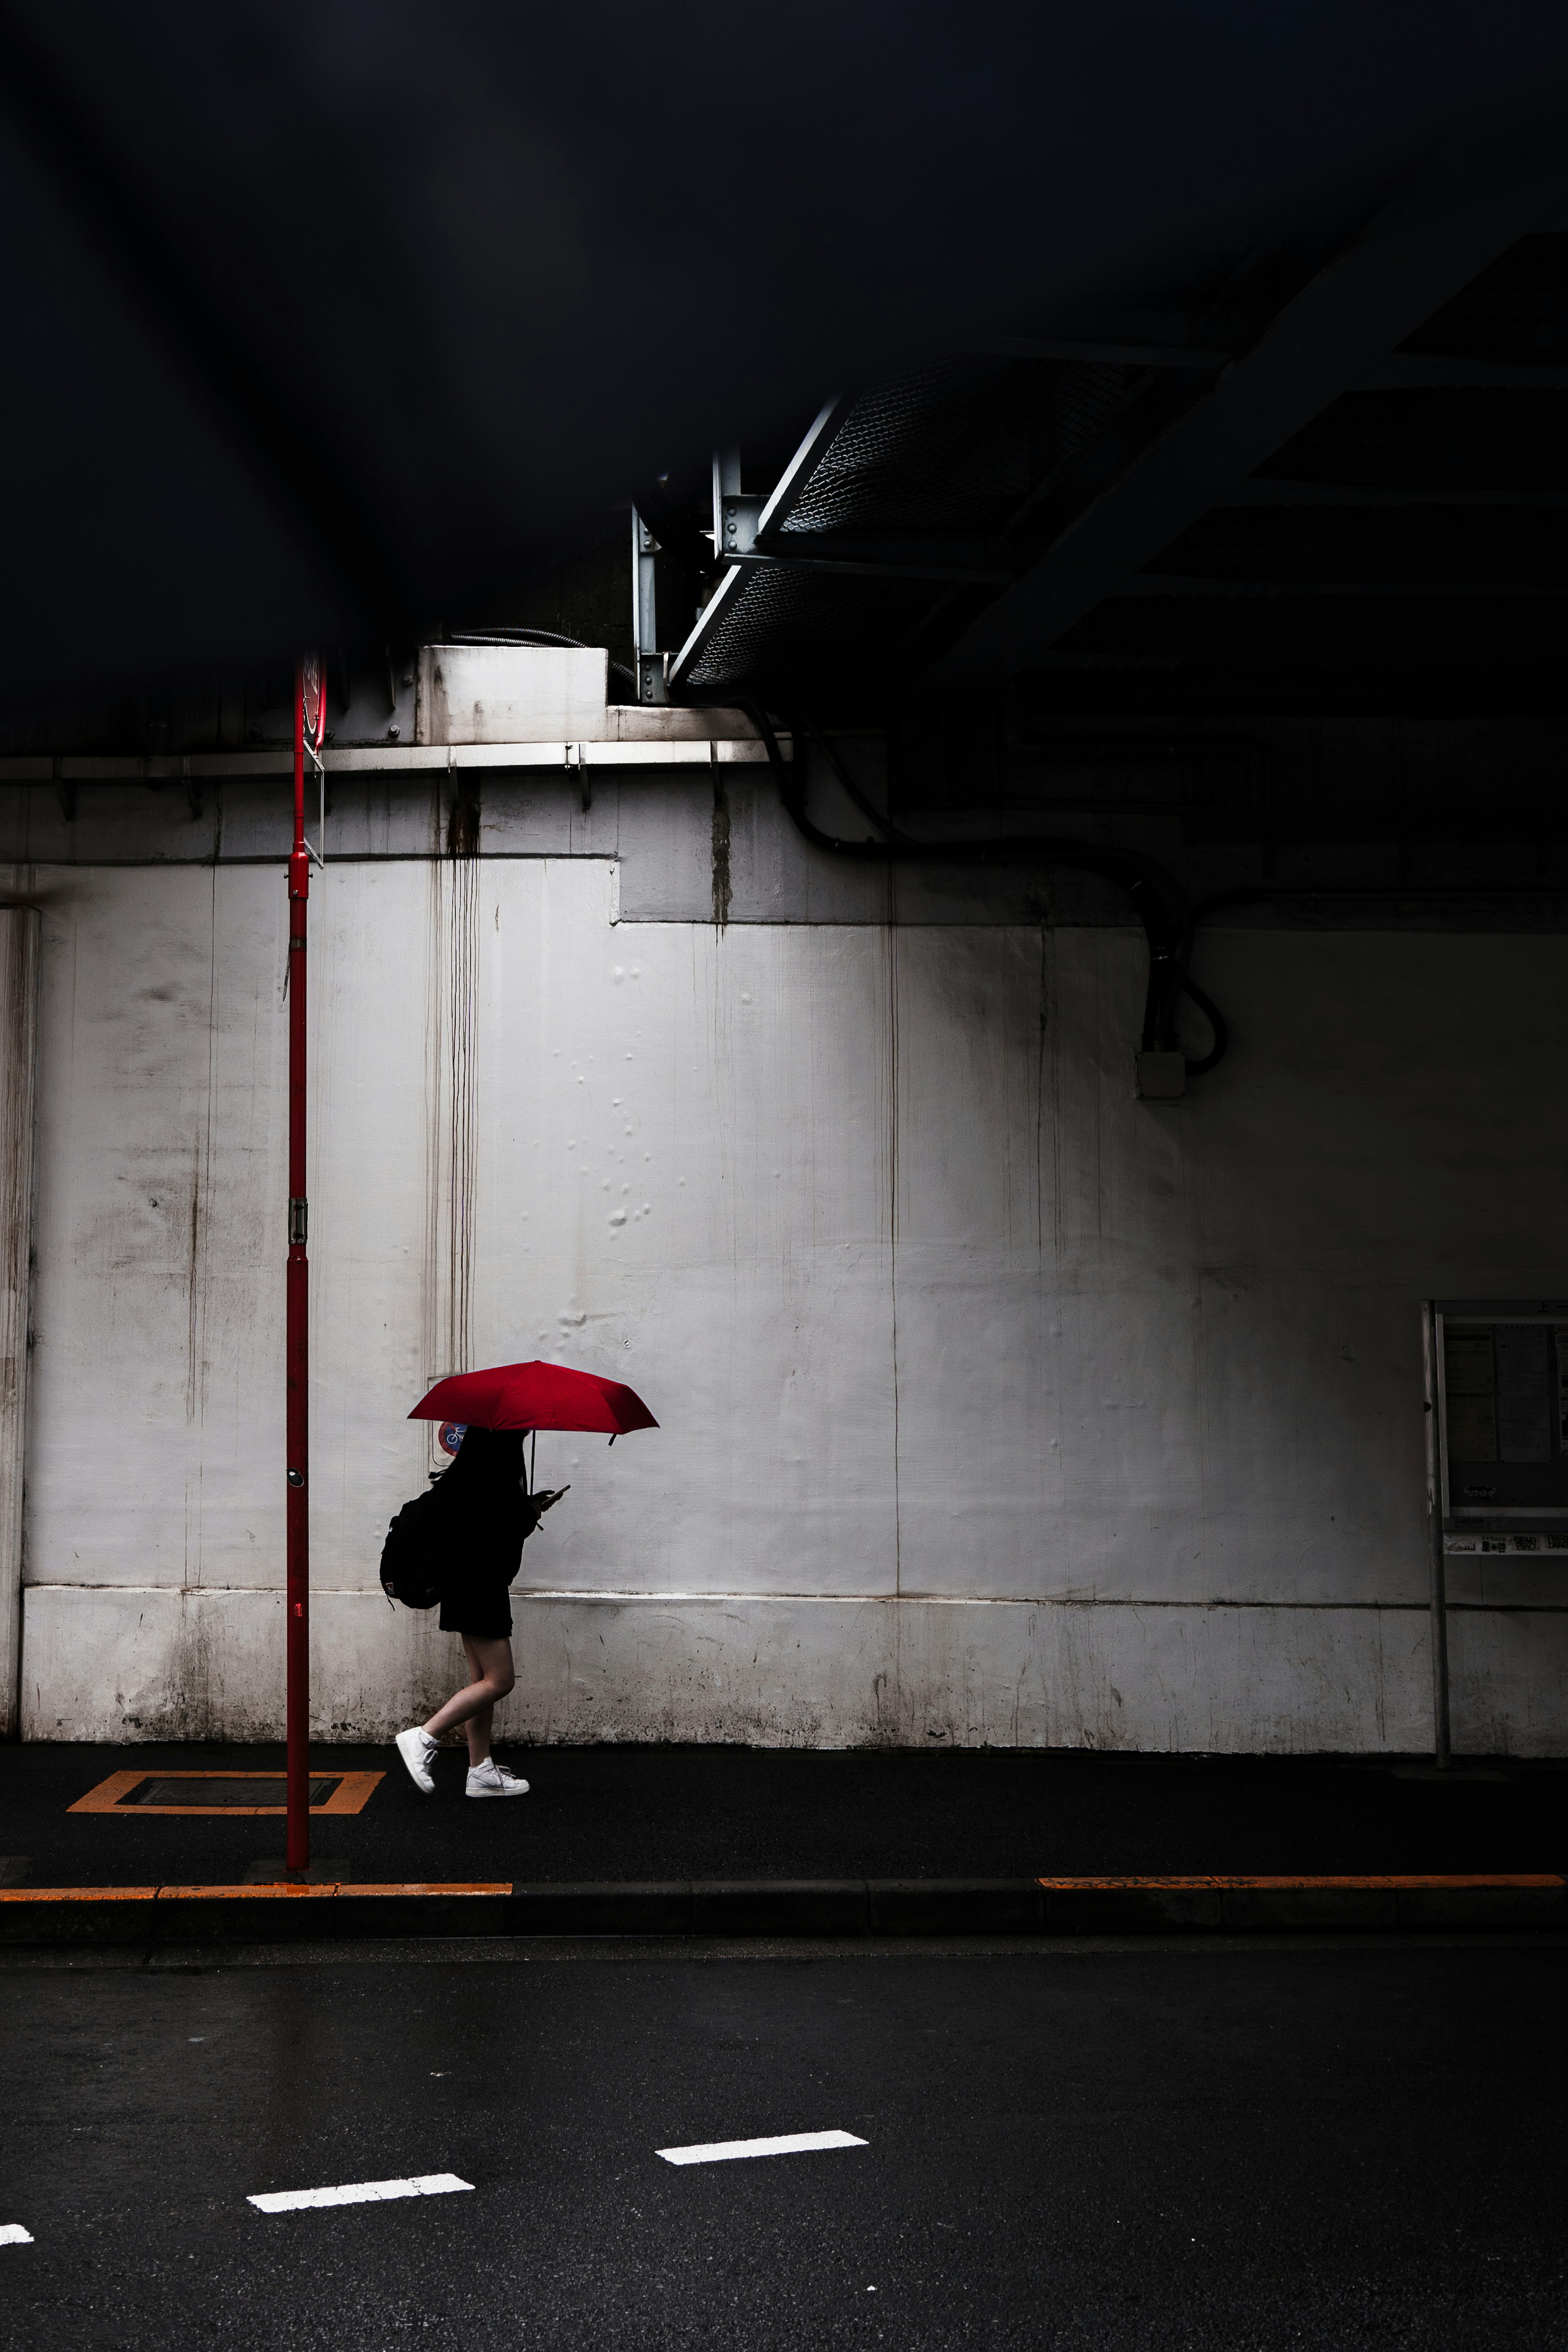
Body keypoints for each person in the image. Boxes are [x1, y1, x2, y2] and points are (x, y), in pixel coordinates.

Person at [394, 1426, 566, 1799]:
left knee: (481, 1681)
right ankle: (423, 1737)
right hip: (480, 1587)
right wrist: (530, 1511)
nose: (521, 1443)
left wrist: (527, 1507)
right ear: (502, 1444)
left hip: (463, 1585)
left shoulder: (468, 1474)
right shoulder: (493, 1477)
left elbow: (482, 1524)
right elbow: (497, 1529)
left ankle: (480, 1770)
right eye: (518, 1438)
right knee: (501, 1681)